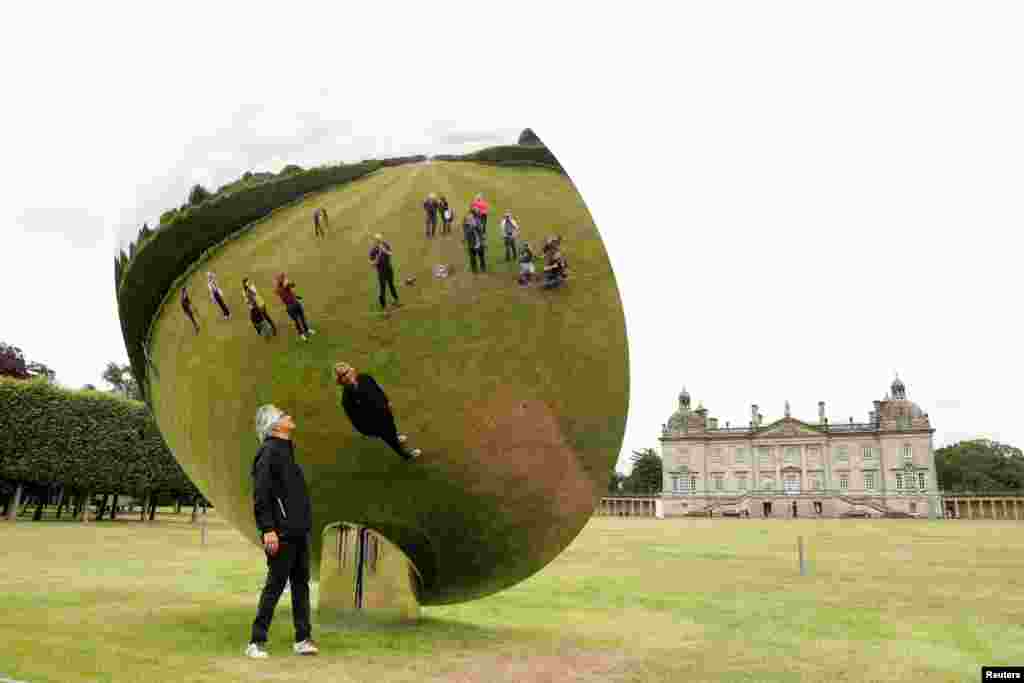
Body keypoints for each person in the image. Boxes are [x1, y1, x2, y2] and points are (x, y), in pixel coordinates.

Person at [246, 405, 319, 659]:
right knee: (275, 586)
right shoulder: (268, 453)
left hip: (298, 530)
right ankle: (256, 641)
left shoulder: (286, 452)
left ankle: (303, 639)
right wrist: (268, 530)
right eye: (282, 414)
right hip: (281, 533)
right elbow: (261, 496)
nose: (289, 415)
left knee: (301, 586)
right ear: (275, 426)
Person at [334, 362, 421, 461]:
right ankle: (406, 455)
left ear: (352, 370)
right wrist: (369, 429)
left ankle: (395, 436)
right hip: (375, 423)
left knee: (391, 427)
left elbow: (378, 390)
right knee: (390, 440)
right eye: (343, 375)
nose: (347, 376)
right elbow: (355, 419)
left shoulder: (365, 378)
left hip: (384, 411)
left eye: (347, 372)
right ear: (341, 380)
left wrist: (387, 402)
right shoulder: (347, 399)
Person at [274, 273, 315, 341]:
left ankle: (307, 330)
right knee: (296, 321)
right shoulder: (279, 289)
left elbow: (293, 285)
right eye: (281, 279)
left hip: (296, 303)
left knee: (302, 318)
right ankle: (301, 334)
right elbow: (278, 291)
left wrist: (287, 283)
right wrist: (284, 284)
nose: (283, 279)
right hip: (290, 307)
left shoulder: (286, 286)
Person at [368, 234, 402, 311]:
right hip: (381, 271)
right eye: (377, 241)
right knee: (382, 288)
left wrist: (384, 251)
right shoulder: (373, 251)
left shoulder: (386, 245)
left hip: (389, 269)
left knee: (391, 284)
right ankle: (384, 306)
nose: (379, 242)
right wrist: (377, 257)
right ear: (375, 241)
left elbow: (391, 254)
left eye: (380, 240)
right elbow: (372, 264)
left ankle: (396, 300)